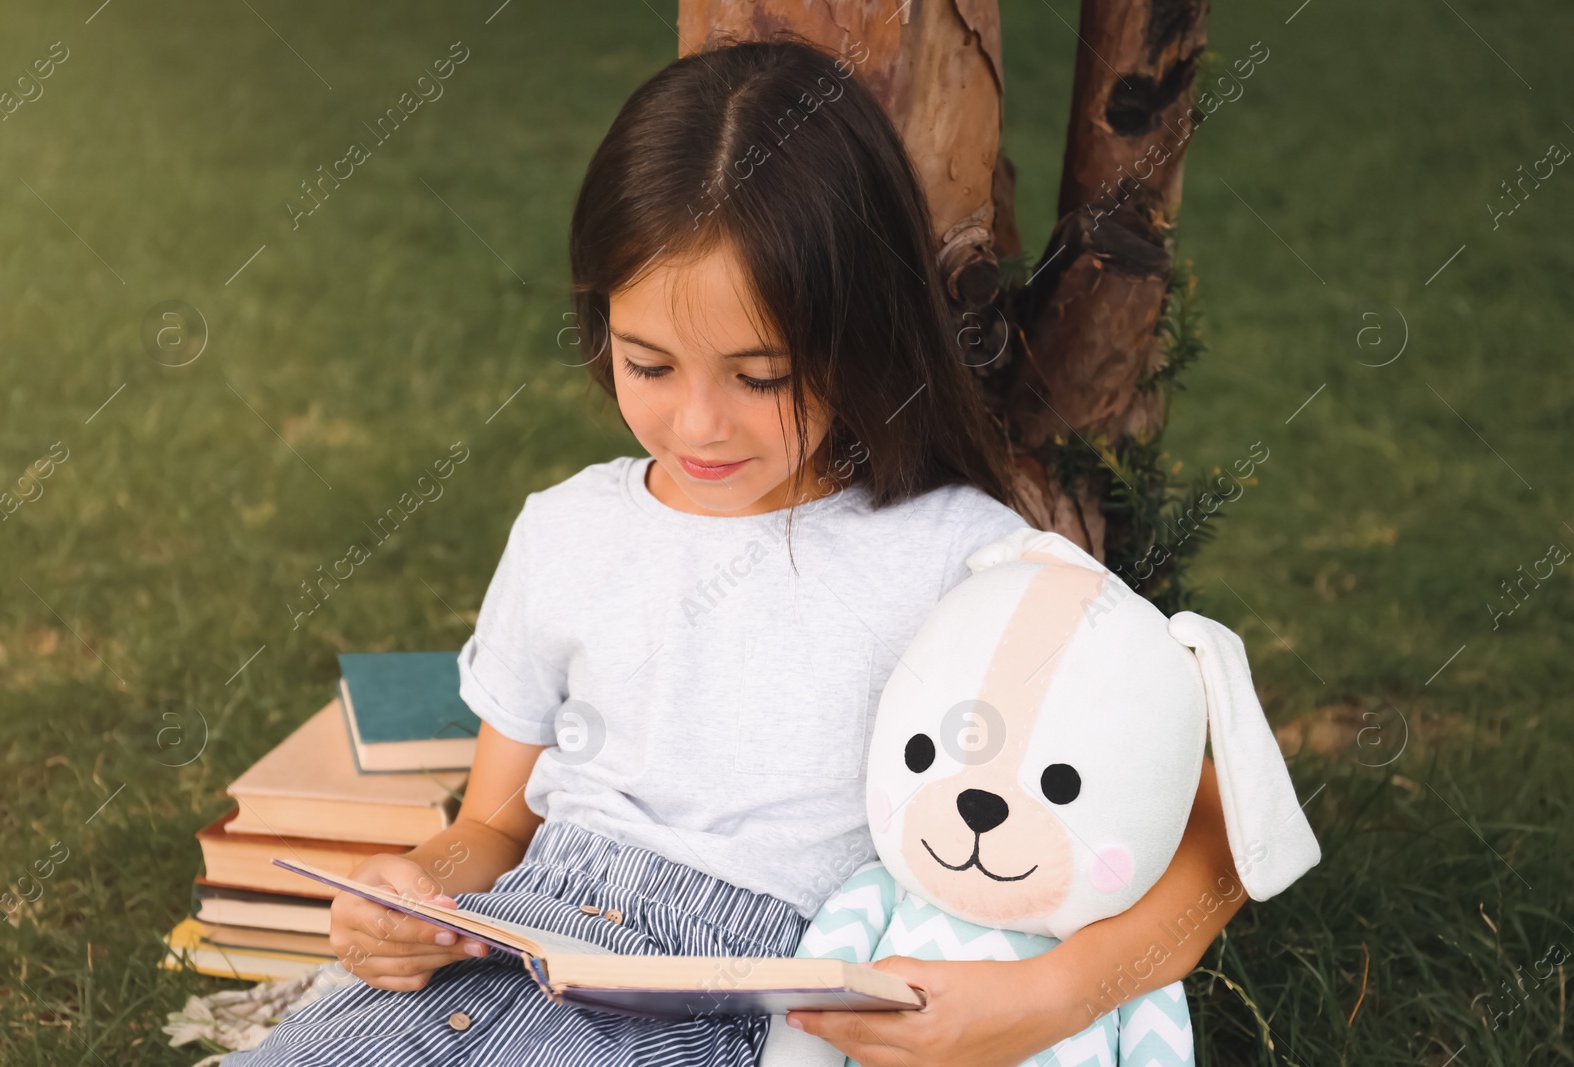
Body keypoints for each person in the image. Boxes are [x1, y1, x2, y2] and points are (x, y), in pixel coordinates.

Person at [223, 34, 1245, 1067]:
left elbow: (1218, 832)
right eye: (648, 363)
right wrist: (411, 890)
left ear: (861, 330)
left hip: (729, 1007)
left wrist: (1048, 996)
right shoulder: (568, 530)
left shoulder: (965, 561)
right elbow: (490, 824)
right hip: (507, 949)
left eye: (761, 375)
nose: (700, 424)